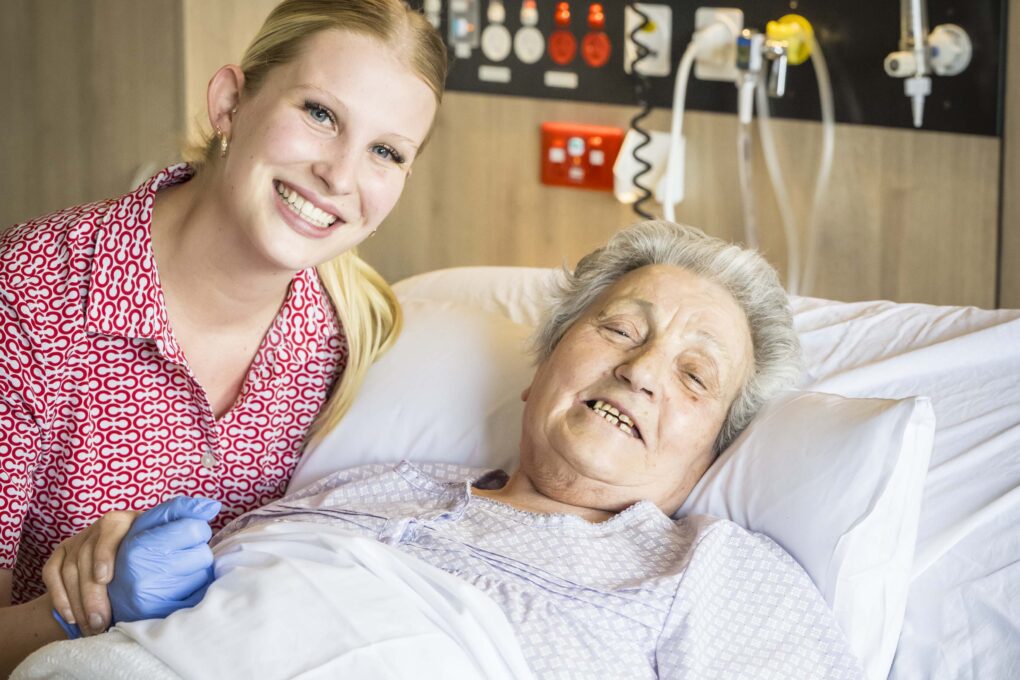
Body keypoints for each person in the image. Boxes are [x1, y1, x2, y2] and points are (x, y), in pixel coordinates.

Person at [12, 222, 864, 679]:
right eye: (618, 330)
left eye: (694, 375)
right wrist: (95, 601)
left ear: (711, 453)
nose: (641, 372)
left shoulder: (709, 572)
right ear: (540, 372)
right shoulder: (365, 483)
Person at [0, 0, 447, 669]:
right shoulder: (32, 294)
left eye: (385, 151)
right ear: (230, 104)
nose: (340, 175)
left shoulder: (347, 337)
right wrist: (74, 613)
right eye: (319, 113)